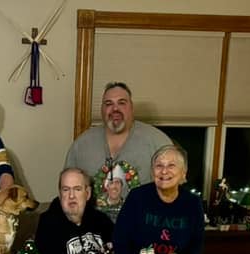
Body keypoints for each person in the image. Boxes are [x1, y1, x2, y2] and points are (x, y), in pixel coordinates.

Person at [113, 143, 205, 254]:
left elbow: (196, 244)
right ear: (152, 171)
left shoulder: (192, 203)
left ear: (183, 173)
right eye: (159, 166)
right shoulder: (137, 197)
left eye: (171, 165)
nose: (164, 171)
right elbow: (120, 241)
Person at [64, 82, 171, 220]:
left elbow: (173, 193)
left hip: (142, 226)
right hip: (93, 227)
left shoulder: (158, 142)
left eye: (122, 103)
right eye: (108, 104)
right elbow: (67, 193)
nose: (115, 108)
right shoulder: (81, 145)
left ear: (131, 108)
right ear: (102, 109)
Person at [34, 167, 125, 254]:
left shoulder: (102, 220)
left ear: (87, 193)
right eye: (66, 189)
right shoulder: (48, 222)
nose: (71, 196)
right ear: (60, 194)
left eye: (77, 189)